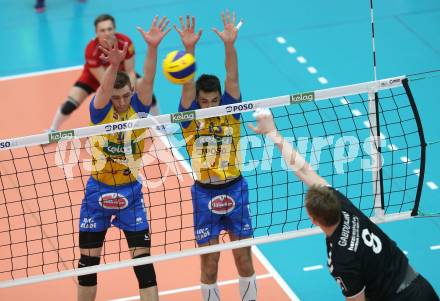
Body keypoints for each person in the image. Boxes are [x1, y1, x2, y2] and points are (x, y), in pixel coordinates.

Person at [248, 108, 439, 301]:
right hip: (422, 288)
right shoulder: (343, 206)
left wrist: (272, 133)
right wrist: (273, 132)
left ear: (313, 220)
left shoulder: (340, 259)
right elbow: (304, 170)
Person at [76, 16, 170, 301]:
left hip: (131, 192)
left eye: (125, 96)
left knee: (144, 267)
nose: (122, 101)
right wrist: (115, 63)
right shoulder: (100, 111)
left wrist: (152, 48)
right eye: (117, 97)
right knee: (88, 266)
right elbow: (104, 90)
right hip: (97, 193)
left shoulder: (139, 108)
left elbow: (149, 78)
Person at [174, 12, 257, 301]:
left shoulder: (231, 111)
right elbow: (186, 84)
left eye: (214, 100)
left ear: (221, 99)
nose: (209, 105)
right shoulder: (188, 119)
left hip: (235, 189)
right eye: (204, 101)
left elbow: (232, 76)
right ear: (197, 101)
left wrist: (229, 44)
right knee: (209, 265)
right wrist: (189, 49)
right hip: (204, 194)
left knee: (244, 260)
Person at [47, 14, 159, 132]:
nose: (107, 33)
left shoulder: (125, 42)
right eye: (102, 30)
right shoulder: (91, 50)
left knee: (149, 94)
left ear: (114, 29)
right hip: (93, 78)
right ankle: (53, 130)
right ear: (96, 32)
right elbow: (105, 84)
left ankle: (159, 123)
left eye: (109, 29)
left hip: (122, 76)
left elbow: (130, 71)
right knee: (70, 104)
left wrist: (129, 93)